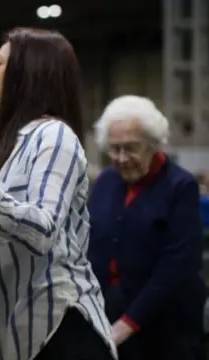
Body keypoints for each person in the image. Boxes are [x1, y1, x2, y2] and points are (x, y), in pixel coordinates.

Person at [0, 28, 116, 360]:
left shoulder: (54, 137)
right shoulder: (5, 149)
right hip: (21, 338)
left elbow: (41, 232)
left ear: (29, 75)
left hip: (65, 331)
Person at [87, 95, 205, 360]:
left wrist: (129, 323)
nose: (121, 158)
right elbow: (92, 246)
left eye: (130, 148)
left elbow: (178, 265)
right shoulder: (106, 182)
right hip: (110, 314)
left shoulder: (180, 186)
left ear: (154, 144)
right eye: (114, 149)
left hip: (165, 324)